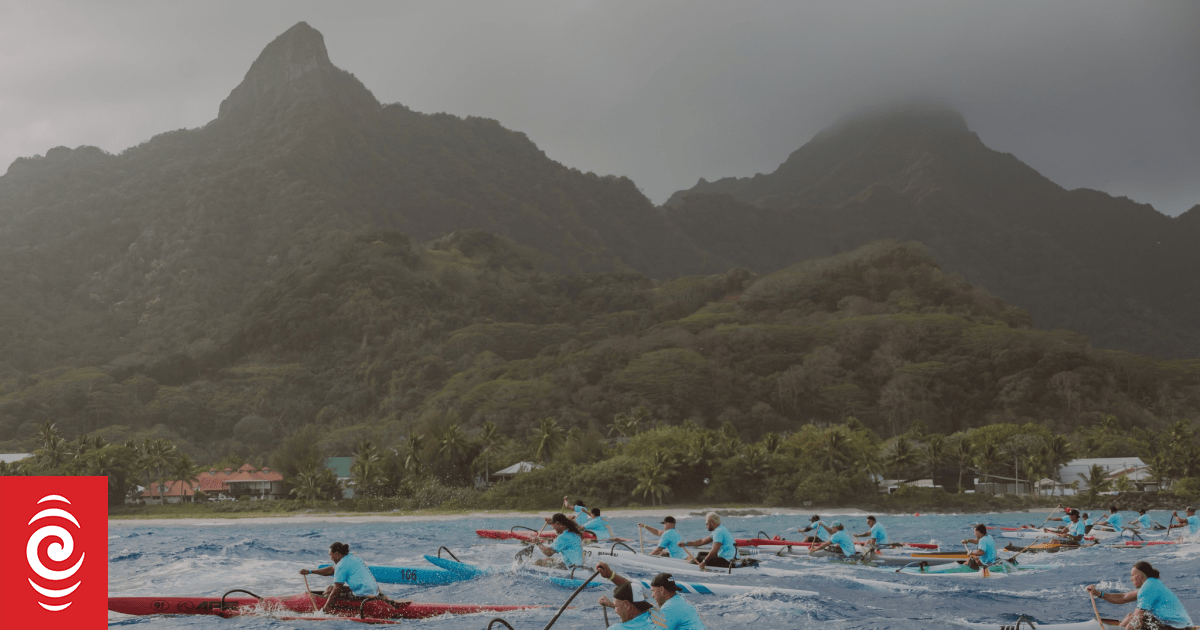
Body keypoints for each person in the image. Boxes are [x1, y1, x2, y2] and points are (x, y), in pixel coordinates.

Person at [1086, 561, 1193, 630]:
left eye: (1132, 576)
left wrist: (1124, 626)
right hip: (1180, 625)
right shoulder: (1151, 583)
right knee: (1132, 617)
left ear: (1140, 576)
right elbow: (1124, 597)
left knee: (1135, 619)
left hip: (1178, 628)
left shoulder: (1148, 588)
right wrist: (1099, 594)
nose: (1130, 579)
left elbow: (1137, 621)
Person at [596, 562, 706, 629]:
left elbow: (639, 603)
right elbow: (636, 597)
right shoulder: (678, 600)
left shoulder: (669, 609)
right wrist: (611, 576)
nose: (652, 595)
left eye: (653, 591)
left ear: (662, 590)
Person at [299, 542, 382, 613]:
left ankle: (331, 607)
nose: (330, 558)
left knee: (329, 593)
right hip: (372, 590)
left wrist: (324, 609)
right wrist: (310, 572)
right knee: (329, 588)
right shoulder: (351, 557)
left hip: (362, 594)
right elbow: (331, 569)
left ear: (337, 554)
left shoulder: (341, 565)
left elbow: (336, 590)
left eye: (330, 555)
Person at [597, 579, 665, 629]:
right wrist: (613, 605)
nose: (615, 610)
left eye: (616, 606)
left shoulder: (616, 628)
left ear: (626, 604)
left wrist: (611, 575)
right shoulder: (658, 614)